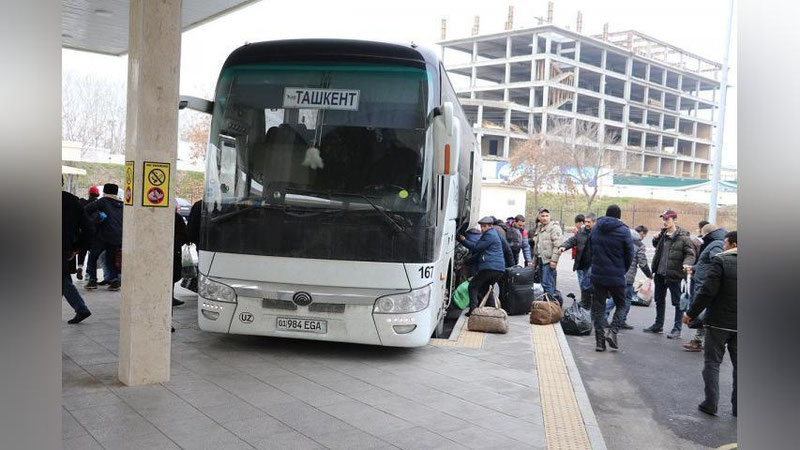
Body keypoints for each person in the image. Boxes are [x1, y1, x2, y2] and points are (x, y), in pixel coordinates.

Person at [683, 231, 737, 417]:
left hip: (718, 322)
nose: (723, 246)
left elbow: (707, 292)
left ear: (732, 244)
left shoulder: (721, 261)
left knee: (713, 363)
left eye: (725, 243)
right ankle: (738, 407)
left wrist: (691, 313)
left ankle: (710, 404)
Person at [644, 209, 696, 339]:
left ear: (675, 220)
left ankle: (677, 328)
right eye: (663, 219)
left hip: (674, 274)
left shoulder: (683, 237)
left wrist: (686, 264)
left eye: (667, 219)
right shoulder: (662, 234)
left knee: (678, 303)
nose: (664, 221)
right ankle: (658, 325)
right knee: (659, 300)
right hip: (660, 274)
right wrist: (655, 239)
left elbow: (690, 254)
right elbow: (658, 248)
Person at [588, 205, 634, 352]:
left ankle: (599, 343)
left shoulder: (595, 228)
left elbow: (590, 249)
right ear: (619, 216)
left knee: (599, 308)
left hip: (598, 275)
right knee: (621, 304)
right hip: (616, 276)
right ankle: (612, 332)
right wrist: (622, 270)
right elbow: (630, 254)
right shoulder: (624, 231)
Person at [683, 224, 727, 352]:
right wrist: (694, 268)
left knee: (704, 313)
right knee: (705, 313)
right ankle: (699, 341)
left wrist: (707, 278)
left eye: (702, 234)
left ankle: (703, 341)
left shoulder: (716, 244)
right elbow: (706, 263)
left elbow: (717, 262)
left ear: (707, 234)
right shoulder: (717, 242)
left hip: (706, 284)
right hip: (704, 282)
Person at [605, 224, 653, 329]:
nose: (643, 238)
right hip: (628, 276)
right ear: (641, 233)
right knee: (621, 297)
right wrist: (649, 274)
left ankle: (616, 319)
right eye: (644, 235)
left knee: (624, 297)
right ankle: (613, 318)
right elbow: (642, 263)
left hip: (616, 272)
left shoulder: (622, 239)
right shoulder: (639, 245)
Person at [458, 217, 507, 316]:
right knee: (486, 289)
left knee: (473, 286)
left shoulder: (489, 235)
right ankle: (493, 311)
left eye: (484, 226)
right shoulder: (492, 234)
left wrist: (463, 240)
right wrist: (467, 262)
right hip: (498, 269)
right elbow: (480, 253)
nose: (482, 229)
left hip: (490, 267)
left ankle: (473, 310)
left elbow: (476, 248)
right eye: (481, 226)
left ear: (491, 226)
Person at [63, 183, 93, 324]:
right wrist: (76, 247)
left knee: (63, 280)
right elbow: (88, 228)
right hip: (66, 248)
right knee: (63, 279)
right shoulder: (74, 202)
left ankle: (81, 308)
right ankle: (81, 308)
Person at [84, 183, 124, 291]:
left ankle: (92, 280)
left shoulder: (103, 201)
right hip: (117, 237)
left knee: (93, 257)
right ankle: (114, 281)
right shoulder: (122, 204)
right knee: (110, 259)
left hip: (102, 235)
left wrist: (95, 217)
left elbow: (86, 209)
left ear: (105, 192)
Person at [559, 213, 595, 308]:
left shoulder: (598, 234)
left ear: (594, 223)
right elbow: (572, 240)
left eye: (589, 222)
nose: (586, 224)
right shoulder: (581, 232)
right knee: (584, 284)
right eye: (585, 222)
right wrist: (564, 246)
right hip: (583, 264)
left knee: (588, 286)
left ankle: (588, 305)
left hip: (594, 265)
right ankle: (585, 305)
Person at [532, 207, 562, 295]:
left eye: (547, 216)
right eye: (542, 216)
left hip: (548, 261)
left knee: (547, 284)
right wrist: (534, 261)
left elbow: (558, 245)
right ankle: (545, 304)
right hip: (540, 259)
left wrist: (554, 260)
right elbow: (537, 247)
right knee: (543, 284)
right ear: (539, 217)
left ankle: (550, 306)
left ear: (550, 217)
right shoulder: (540, 228)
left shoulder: (554, 228)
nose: (545, 218)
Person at [74, 185, 100, 280]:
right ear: (98, 194)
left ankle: (80, 267)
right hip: (95, 233)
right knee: (92, 254)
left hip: (83, 232)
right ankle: (89, 273)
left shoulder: (83, 203)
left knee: (82, 251)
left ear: (89, 194)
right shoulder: (99, 204)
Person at [173, 212, 189, 307]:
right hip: (174, 251)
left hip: (173, 250)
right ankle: (170, 297)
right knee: (173, 274)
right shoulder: (177, 217)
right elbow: (184, 235)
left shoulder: (176, 217)